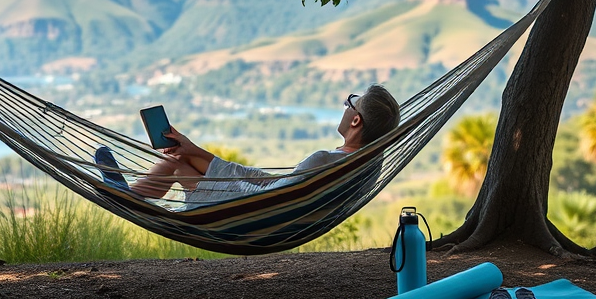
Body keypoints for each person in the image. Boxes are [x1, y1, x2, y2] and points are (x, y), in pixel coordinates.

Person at [95, 85, 400, 205]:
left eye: (350, 102)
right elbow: (274, 185)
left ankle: (129, 197)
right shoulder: (368, 165)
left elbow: (266, 188)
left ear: (356, 121)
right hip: (267, 213)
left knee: (177, 164)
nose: (344, 106)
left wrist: (199, 156)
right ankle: (130, 195)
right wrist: (192, 149)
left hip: (248, 206)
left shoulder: (324, 159)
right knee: (181, 160)